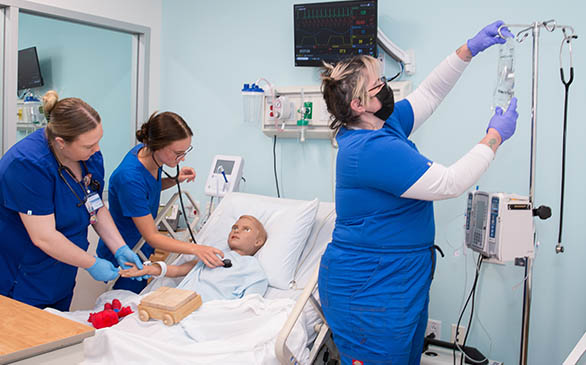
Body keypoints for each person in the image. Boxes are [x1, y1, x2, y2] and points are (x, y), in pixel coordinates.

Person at [317, 21, 518, 364]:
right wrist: (494, 137)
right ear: (358, 105)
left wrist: (469, 48)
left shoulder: (383, 124)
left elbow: (429, 93)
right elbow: (449, 183)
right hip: (370, 288)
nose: (385, 88)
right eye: (377, 84)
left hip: (400, 275)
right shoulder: (369, 150)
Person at [0, 90, 145, 311]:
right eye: (89, 145)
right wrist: (92, 263)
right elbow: (44, 236)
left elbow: (95, 204)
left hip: (61, 259)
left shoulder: (88, 156)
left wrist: (120, 248)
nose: (97, 149)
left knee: (57, 325)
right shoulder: (26, 164)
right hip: (16, 263)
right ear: (61, 142)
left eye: (98, 141)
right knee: (19, 330)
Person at [96, 111, 224, 294]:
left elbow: (146, 189)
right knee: (123, 305)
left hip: (141, 249)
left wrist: (174, 179)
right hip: (125, 253)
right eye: (178, 153)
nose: (182, 158)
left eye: (185, 152)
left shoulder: (148, 155)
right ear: (157, 145)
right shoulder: (129, 177)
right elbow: (152, 236)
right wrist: (197, 249)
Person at [120, 215, 268, 302]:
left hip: (211, 312)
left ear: (258, 242)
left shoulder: (253, 269)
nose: (237, 231)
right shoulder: (213, 254)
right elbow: (178, 270)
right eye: (234, 227)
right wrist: (149, 269)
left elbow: (249, 306)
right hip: (179, 304)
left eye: (246, 229)